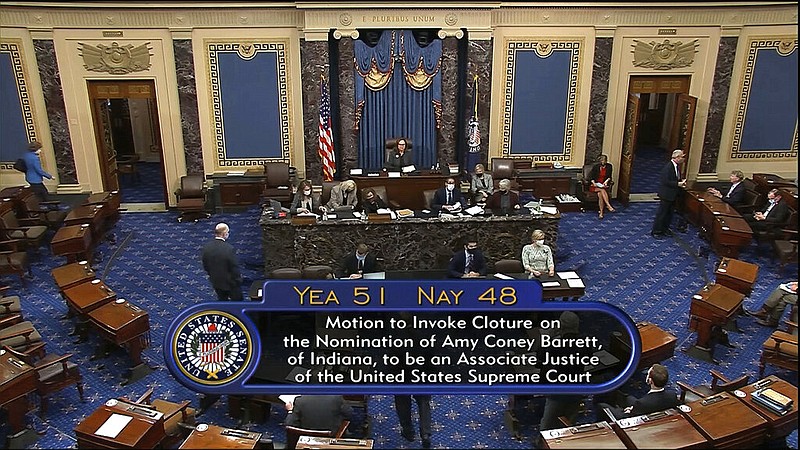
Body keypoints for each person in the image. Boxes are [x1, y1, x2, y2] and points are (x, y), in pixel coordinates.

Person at [538, 311, 585, 431]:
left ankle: (542, 443)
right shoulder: (585, 343)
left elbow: (540, 359)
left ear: (561, 326)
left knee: (547, 424)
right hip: (577, 389)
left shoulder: (555, 345)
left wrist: (547, 339)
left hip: (558, 392)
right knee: (569, 422)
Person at [599, 364, 680, 420]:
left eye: (647, 374)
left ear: (650, 380)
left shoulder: (642, 403)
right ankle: (614, 395)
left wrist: (630, 410)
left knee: (602, 405)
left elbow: (632, 415)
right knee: (627, 398)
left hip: (632, 418)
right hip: (645, 408)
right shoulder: (672, 395)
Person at [651, 149, 687, 238]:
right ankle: (656, 231)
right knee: (662, 214)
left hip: (673, 194)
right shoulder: (668, 167)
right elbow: (665, 181)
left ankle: (665, 229)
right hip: (666, 194)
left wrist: (681, 182)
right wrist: (678, 184)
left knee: (669, 214)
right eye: (682, 156)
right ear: (677, 157)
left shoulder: (676, 166)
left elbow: (675, 178)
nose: (683, 158)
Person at [201, 223, 243, 300]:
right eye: (227, 232)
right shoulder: (229, 248)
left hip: (216, 281)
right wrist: (238, 280)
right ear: (224, 234)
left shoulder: (207, 247)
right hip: (231, 283)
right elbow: (233, 267)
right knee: (237, 302)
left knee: (222, 301)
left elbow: (205, 265)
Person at [285, 395, 352, 433]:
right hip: (331, 438)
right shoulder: (336, 398)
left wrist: (290, 411)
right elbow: (349, 413)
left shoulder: (300, 400)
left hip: (306, 440)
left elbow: (289, 424)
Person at [590, 154, 615, 219]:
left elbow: (609, 177)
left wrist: (606, 182)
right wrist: (594, 183)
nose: (603, 162)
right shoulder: (596, 167)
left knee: (600, 194)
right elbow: (591, 177)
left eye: (604, 161)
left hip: (603, 185)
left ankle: (601, 213)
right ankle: (608, 205)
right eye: (602, 161)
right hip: (594, 185)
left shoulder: (609, 166)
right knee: (602, 190)